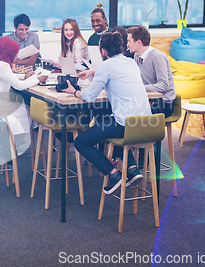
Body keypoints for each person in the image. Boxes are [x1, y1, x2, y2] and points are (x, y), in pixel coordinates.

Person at [64, 32, 151, 194]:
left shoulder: (106, 66)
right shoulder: (131, 63)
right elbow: (116, 72)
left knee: (81, 142)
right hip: (146, 123)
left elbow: (89, 96)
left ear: (103, 51)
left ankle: (113, 174)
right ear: (121, 47)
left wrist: (73, 92)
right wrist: (94, 72)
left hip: (125, 125)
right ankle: (132, 169)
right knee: (106, 120)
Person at [0, 37, 47, 158]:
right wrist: (37, 79)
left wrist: (24, 76)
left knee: (25, 110)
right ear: (8, 51)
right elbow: (20, 86)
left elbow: (8, 77)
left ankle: (9, 141)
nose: (17, 54)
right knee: (26, 111)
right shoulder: (3, 65)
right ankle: (12, 143)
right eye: (15, 51)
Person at [126, 26, 176, 117]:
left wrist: (141, 88)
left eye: (129, 41)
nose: (127, 44)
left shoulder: (157, 57)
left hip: (163, 104)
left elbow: (164, 85)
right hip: (148, 99)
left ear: (138, 42)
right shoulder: (137, 56)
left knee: (130, 114)